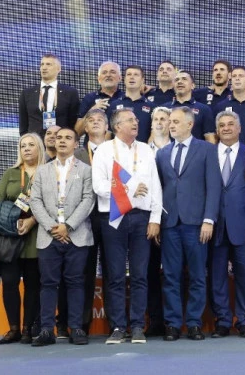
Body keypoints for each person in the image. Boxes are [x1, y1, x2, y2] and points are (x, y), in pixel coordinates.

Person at [93, 108, 163, 345]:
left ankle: (137, 326)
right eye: (130, 120)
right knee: (114, 276)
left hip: (141, 217)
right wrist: (130, 188)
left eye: (135, 119)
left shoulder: (145, 149)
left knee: (140, 275)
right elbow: (99, 186)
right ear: (116, 126)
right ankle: (117, 327)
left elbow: (155, 186)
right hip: (113, 218)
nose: (136, 123)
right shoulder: (104, 150)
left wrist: (155, 219)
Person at [155, 107, 221, 341]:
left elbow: (214, 186)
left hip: (197, 224)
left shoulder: (207, 150)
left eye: (175, 121)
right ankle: (173, 324)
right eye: (170, 122)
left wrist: (208, 219)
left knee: (197, 276)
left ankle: (194, 323)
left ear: (190, 124)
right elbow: (158, 189)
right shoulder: (162, 153)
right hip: (170, 223)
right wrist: (157, 221)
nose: (170, 125)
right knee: (170, 276)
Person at [28, 127, 95, 347]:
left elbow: (88, 200)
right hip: (49, 236)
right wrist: (52, 227)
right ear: (54, 143)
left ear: (76, 144)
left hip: (77, 235)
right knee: (48, 283)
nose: (62, 141)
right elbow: (35, 201)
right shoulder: (42, 171)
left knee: (75, 282)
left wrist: (68, 226)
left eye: (67, 138)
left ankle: (76, 328)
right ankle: (47, 330)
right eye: (58, 138)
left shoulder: (86, 170)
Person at [54, 108, 108, 337]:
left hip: (111, 217)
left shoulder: (116, 150)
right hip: (81, 219)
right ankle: (79, 324)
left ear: (108, 127)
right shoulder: (75, 154)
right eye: (90, 120)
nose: (95, 122)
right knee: (80, 273)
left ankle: (116, 324)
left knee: (112, 272)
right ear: (84, 128)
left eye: (100, 120)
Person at [0, 133, 46, 345]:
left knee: (33, 284)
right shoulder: (11, 173)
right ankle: (13, 328)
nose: (26, 149)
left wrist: (32, 220)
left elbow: (54, 204)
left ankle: (27, 329)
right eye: (23, 145)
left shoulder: (48, 172)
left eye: (31, 145)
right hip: (10, 238)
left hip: (37, 236)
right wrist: (11, 221)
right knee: (9, 282)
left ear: (39, 148)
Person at [210, 111, 245, 339]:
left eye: (231, 124)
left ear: (239, 128)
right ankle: (222, 321)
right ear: (217, 130)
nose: (226, 128)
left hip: (243, 223)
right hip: (214, 224)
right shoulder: (208, 153)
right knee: (217, 275)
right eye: (222, 125)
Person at [146, 106, 171, 336]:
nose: (160, 122)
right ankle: (155, 321)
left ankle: (175, 321)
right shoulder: (142, 151)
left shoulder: (179, 149)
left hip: (175, 220)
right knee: (150, 272)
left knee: (174, 272)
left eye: (164, 118)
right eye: (156, 119)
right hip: (149, 221)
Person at [18, 53, 80, 137]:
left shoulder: (70, 93)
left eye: (48, 64)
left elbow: (72, 122)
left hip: (59, 140)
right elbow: (23, 124)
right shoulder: (27, 94)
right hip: (36, 141)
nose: (44, 67)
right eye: (42, 64)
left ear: (58, 69)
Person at [166, 71, 217, 143]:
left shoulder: (204, 110)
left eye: (184, 79)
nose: (179, 82)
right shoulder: (164, 108)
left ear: (192, 85)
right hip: (168, 150)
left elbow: (210, 138)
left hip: (196, 150)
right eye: (177, 80)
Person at [76, 61, 123, 136]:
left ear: (120, 78)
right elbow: (77, 132)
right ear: (99, 79)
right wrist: (92, 111)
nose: (108, 75)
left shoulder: (126, 98)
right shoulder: (89, 98)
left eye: (112, 72)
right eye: (104, 72)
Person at [108, 65, 153, 142]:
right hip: (118, 149)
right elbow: (108, 132)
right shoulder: (113, 105)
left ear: (142, 80)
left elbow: (154, 133)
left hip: (143, 148)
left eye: (136, 74)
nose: (132, 77)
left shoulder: (151, 107)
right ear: (124, 79)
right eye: (129, 74)